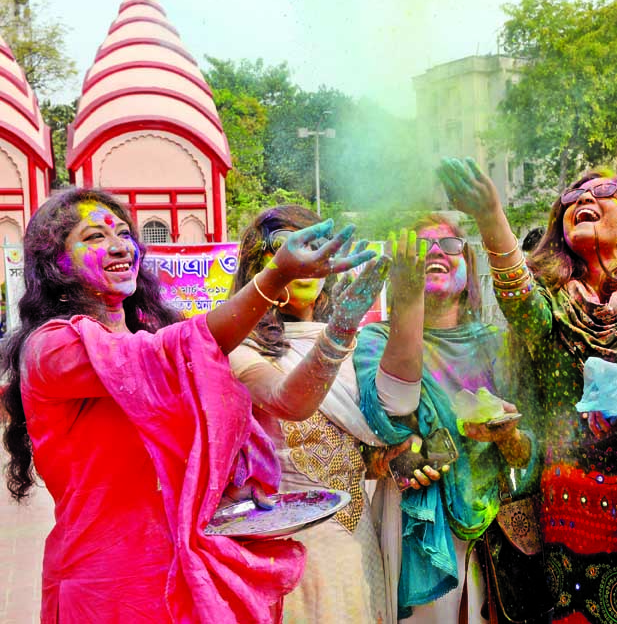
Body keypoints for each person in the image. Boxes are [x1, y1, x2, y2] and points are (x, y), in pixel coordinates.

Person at [0, 188, 376, 623]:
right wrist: (274, 278)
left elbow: (206, 396)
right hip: (107, 586)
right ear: (55, 263)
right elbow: (172, 354)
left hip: (184, 577)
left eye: (124, 233)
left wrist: (231, 479)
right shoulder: (52, 349)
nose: (120, 244)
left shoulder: (151, 332)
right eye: (94, 237)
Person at [437, 154, 617, 624]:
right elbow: (516, 292)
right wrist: (490, 215)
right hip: (568, 508)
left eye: (602, 192)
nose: (583, 197)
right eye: (571, 197)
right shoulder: (551, 305)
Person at [354, 215, 536, 623]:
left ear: (469, 267)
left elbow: (530, 452)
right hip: (416, 527)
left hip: (493, 530)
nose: (436, 252)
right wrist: (393, 461)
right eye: (422, 246)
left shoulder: (496, 344)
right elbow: (378, 424)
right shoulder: (376, 340)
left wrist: (505, 436)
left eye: (450, 245)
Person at [228, 205, 400, 624]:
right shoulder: (239, 348)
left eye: (316, 246)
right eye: (287, 247)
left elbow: (368, 450)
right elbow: (286, 399)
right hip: (283, 543)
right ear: (259, 266)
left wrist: (398, 451)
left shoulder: (359, 350)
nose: (305, 259)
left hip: (355, 542)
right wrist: (339, 330)